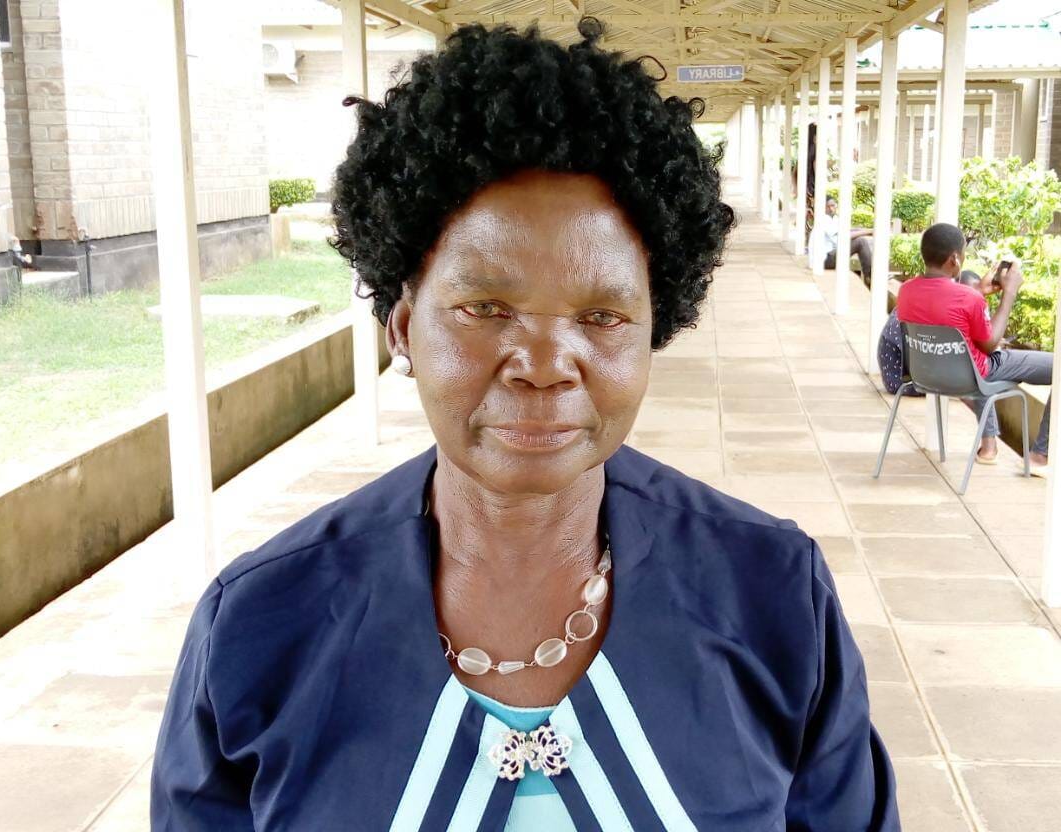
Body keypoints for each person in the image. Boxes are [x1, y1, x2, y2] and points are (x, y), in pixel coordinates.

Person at [151, 21, 899, 830]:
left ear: (652, 333)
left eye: (603, 316)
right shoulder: (261, 625)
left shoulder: (774, 597)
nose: (544, 364)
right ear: (402, 329)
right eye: (485, 307)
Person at [896, 223, 1051, 470]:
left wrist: (979, 292)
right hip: (969, 377)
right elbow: (988, 345)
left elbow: (947, 312)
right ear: (955, 259)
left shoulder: (906, 290)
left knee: (971, 355)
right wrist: (1009, 293)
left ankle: (989, 447)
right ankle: (1040, 455)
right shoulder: (968, 298)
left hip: (925, 376)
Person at [878, 270, 991, 396]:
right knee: (973, 373)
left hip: (911, 376)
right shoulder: (937, 317)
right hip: (902, 381)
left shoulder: (920, 305)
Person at [810, 196, 875, 280]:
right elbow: (844, 236)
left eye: (832, 205)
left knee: (862, 240)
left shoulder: (834, 218)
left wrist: (867, 230)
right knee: (861, 242)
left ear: (836, 205)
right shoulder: (823, 219)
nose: (831, 209)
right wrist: (868, 232)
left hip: (829, 256)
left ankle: (870, 275)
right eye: (828, 206)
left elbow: (847, 230)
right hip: (823, 260)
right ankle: (870, 276)